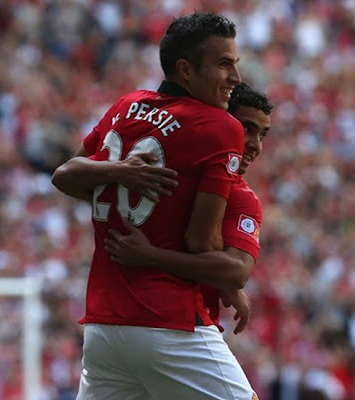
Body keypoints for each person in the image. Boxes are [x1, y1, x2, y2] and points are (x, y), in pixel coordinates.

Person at [52, 12, 258, 400]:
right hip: (168, 322)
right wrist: (224, 278)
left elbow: (66, 174)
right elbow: (201, 241)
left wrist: (116, 172)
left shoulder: (127, 106)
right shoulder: (220, 125)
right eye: (223, 64)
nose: (235, 78)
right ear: (185, 69)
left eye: (235, 64)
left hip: (104, 326)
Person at [104, 82, 273, 336]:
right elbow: (226, 265)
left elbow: (235, 272)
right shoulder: (166, 170)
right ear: (222, 121)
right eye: (247, 129)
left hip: (110, 321)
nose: (256, 145)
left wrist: (151, 255)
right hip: (181, 327)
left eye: (262, 135)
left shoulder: (240, 197)